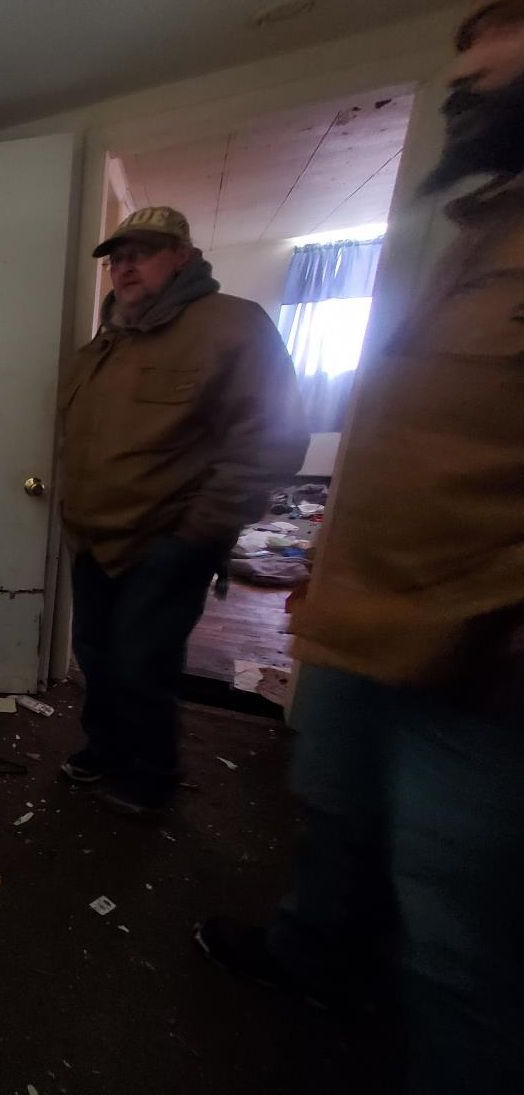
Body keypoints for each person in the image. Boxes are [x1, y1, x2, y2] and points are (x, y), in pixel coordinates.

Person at [196, 6, 524, 1092]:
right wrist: (326, 569)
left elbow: (272, 429)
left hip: (481, 669)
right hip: (359, 622)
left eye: (500, 33)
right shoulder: (477, 235)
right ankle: (310, 957)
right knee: (331, 817)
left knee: (459, 942)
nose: (467, 66)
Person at [57, 205, 307, 813]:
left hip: (168, 539)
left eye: (142, 252)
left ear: (183, 257)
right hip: (93, 539)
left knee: (143, 664)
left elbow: (273, 439)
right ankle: (106, 749)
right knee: (97, 655)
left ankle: (152, 777)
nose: (125, 266)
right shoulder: (105, 344)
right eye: (117, 257)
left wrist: (198, 533)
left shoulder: (231, 325)